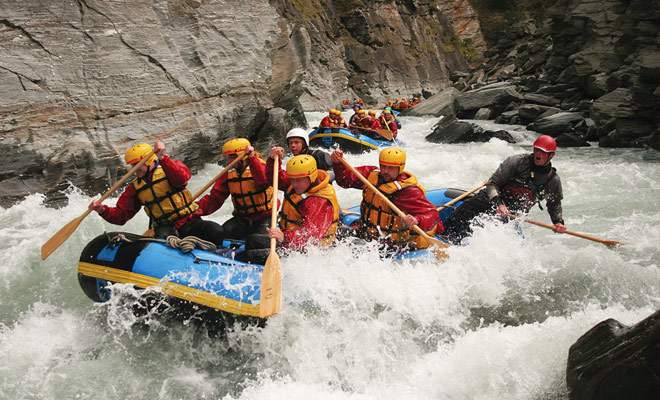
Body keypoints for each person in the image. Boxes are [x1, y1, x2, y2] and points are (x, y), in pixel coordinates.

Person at [88, 141, 225, 246]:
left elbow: (182, 178)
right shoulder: (135, 187)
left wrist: (162, 157)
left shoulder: (169, 168)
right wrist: (102, 210)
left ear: (148, 161)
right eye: (132, 166)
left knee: (216, 230)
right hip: (164, 228)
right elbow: (122, 216)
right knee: (162, 245)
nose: (134, 170)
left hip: (189, 221)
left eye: (137, 165)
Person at [443, 135, 567, 244]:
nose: (538, 154)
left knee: (484, 231)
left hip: (512, 211)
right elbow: (492, 184)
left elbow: (554, 204)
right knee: (460, 215)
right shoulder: (516, 162)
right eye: (536, 150)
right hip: (491, 198)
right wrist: (499, 204)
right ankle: (445, 236)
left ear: (551, 155)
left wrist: (558, 222)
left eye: (543, 152)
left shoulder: (552, 180)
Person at [331, 147, 441, 254]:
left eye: (390, 168)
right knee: (331, 235)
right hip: (366, 233)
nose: (385, 171)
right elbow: (345, 180)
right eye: (383, 166)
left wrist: (417, 220)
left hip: (390, 244)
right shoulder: (371, 175)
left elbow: (432, 214)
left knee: (351, 247)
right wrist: (338, 163)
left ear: (400, 168)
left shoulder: (409, 191)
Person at [194, 138, 275, 263]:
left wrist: (252, 158)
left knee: (256, 241)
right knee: (220, 233)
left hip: (263, 217)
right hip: (241, 218)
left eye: (232, 157)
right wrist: (195, 209)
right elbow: (216, 198)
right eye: (228, 158)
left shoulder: (260, 166)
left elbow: (263, 181)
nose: (230, 161)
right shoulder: (230, 172)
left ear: (242, 157)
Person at [265, 151, 340, 252]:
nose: (294, 184)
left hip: (311, 250)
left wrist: (285, 237)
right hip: (291, 241)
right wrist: (273, 160)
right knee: (253, 240)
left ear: (312, 177)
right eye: (292, 180)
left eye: (298, 180)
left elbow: (311, 235)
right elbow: (277, 179)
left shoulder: (319, 201)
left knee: (253, 252)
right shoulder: (302, 182)